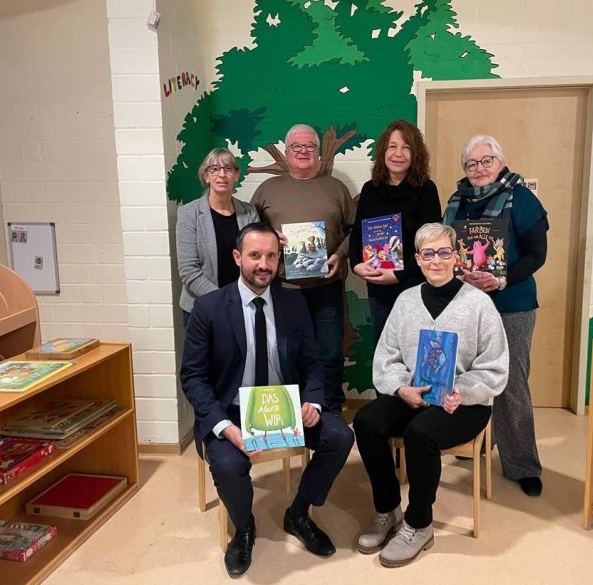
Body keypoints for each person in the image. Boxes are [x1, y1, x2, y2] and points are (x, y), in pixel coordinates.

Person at [180, 222, 354, 577]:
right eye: (255, 255)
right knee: (228, 465)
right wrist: (224, 426)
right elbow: (193, 378)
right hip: (232, 413)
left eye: (271, 256)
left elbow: (313, 362)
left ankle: (298, 514)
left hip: (285, 409)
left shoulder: (293, 302)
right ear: (237, 257)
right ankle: (244, 528)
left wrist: (313, 402)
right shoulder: (209, 308)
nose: (264, 264)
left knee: (340, 437)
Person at [353, 222, 508, 568]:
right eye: (428, 253)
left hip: (464, 402)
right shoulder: (405, 301)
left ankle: (419, 524)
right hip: (414, 392)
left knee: (420, 432)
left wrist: (462, 391)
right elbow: (387, 357)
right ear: (418, 260)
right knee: (366, 421)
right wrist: (400, 388)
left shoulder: (479, 305)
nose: (436, 260)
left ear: (456, 257)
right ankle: (387, 510)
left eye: (443, 252)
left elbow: (495, 367)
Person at [442, 134, 549, 497]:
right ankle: (478, 440)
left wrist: (501, 279)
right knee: (471, 376)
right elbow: (447, 249)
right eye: (471, 163)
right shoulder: (456, 202)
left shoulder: (521, 198)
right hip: (467, 305)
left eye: (486, 161)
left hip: (512, 304)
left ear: (500, 162)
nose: (479, 169)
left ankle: (523, 465)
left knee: (511, 384)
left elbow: (537, 254)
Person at [251, 124, 356, 415]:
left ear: (319, 153)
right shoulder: (267, 190)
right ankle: (291, 414)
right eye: (296, 146)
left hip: (326, 287)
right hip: (282, 290)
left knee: (330, 353)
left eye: (310, 146)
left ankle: (330, 412)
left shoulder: (336, 188)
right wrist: (270, 237)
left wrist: (340, 254)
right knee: (285, 353)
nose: (303, 151)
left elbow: (355, 230)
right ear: (286, 153)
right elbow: (249, 232)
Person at [349, 120, 442, 344]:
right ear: (383, 151)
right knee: (384, 349)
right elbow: (357, 234)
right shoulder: (370, 190)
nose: (398, 154)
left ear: (415, 153)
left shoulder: (426, 190)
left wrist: (398, 275)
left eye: (406, 147)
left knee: (416, 349)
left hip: (415, 287)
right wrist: (356, 265)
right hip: (378, 288)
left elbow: (431, 244)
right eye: (392, 146)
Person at [176, 148, 259, 327]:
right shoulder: (189, 214)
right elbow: (189, 271)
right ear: (206, 176)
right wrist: (225, 300)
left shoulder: (249, 212)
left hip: (243, 304)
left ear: (236, 175)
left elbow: (257, 257)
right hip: (201, 307)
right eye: (214, 169)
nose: (222, 174)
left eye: (228, 169)